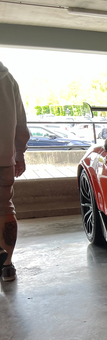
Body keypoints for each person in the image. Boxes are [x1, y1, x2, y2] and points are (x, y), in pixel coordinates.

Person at [0, 61, 30, 282]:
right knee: (4, 206)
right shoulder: (8, 80)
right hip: (3, 158)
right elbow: (21, 123)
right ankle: (7, 266)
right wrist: (19, 153)